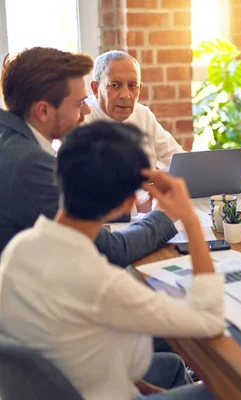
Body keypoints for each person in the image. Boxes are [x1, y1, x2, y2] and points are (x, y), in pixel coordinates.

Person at [0, 121, 223, 399]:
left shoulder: (18, 248)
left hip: (64, 385)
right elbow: (209, 320)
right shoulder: (102, 283)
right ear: (127, 202)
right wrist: (188, 218)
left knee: (172, 365)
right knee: (221, 392)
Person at [0, 47, 177, 265]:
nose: (85, 112)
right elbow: (112, 251)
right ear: (43, 111)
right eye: (78, 103)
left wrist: (133, 209)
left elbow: (71, 210)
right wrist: (165, 216)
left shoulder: (11, 141)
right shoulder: (29, 164)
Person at [85, 50, 185, 169]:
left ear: (140, 88)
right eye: (115, 85)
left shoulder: (143, 114)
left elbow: (179, 160)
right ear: (95, 89)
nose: (125, 95)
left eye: (132, 86)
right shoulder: (82, 117)